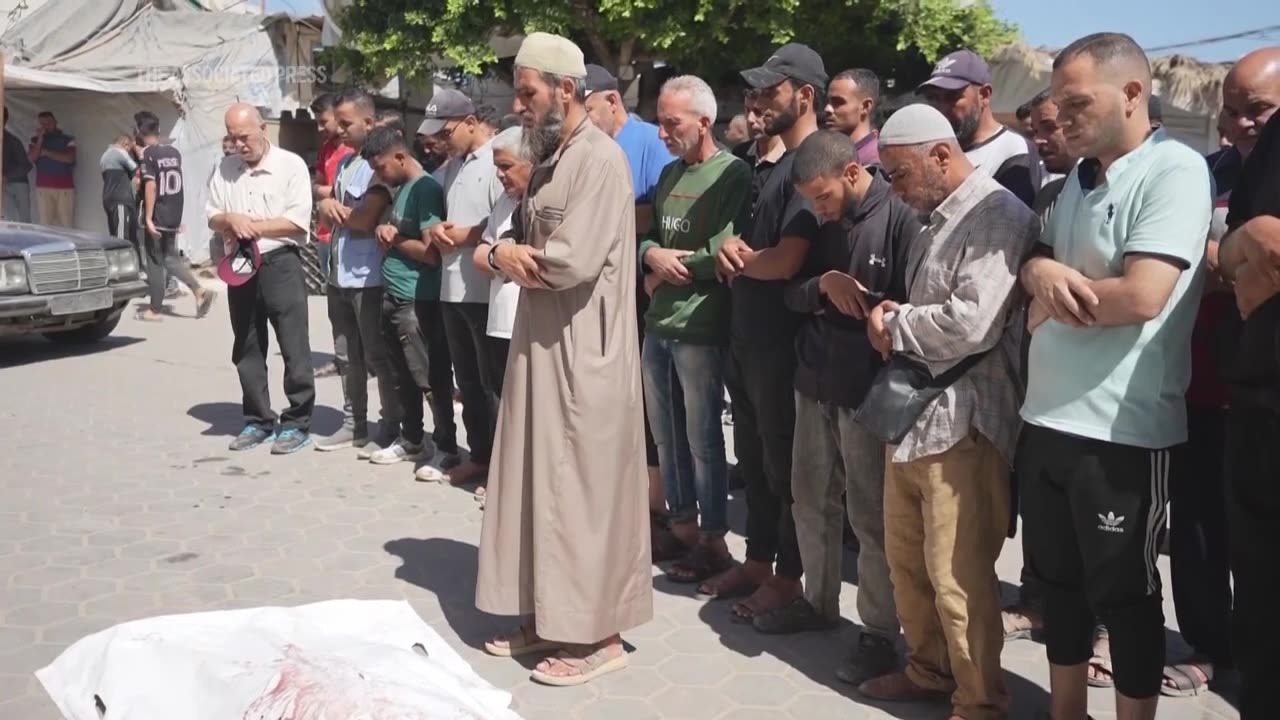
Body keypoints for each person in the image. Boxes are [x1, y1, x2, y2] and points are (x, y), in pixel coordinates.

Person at [1018, 33, 1211, 720]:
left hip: (1121, 432)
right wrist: (1039, 274)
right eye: (1055, 103)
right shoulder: (1077, 176)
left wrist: (1049, 301)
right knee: (1058, 590)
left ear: (1133, 94)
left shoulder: (1174, 172)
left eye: (1077, 102)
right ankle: (1064, 711)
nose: (1060, 117)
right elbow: (1039, 260)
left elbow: (1142, 297)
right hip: (1045, 420)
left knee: (1127, 599)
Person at [475, 31, 651, 686]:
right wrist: (502, 253)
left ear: (566, 90)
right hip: (542, 350)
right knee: (537, 485)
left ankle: (599, 635)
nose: (518, 106)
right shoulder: (554, 157)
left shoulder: (600, 160)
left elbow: (568, 261)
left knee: (582, 494)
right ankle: (548, 616)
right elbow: (515, 242)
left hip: (585, 358)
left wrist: (500, 258)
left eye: (527, 93)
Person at [861, 104, 1038, 720]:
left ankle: (981, 701)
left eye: (902, 174)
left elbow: (972, 323)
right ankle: (929, 671)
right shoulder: (934, 216)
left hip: (965, 422)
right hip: (914, 420)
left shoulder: (998, 214)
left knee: (958, 577)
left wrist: (895, 322)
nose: (895, 189)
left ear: (941, 155)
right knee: (907, 563)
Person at [754, 130, 917, 682]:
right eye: (810, 200)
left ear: (852, 174)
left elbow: (913, 306)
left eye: (822, 196)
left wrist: (873, 306)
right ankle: (818, 605)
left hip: (867, 391)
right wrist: (823, 284)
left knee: (870, 517)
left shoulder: (898, 217)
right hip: (813, 379)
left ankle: (878, 633)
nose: (817, 209)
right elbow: (790, 294)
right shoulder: (819, 224)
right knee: (808, 498)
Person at [706, 43, 826, 624]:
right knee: (752, 460)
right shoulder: (769, 165)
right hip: (746, 336)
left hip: (786, 345)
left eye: (769, 91)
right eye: (752, 92)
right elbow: (751, 247)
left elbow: (785, 260)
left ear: (804, 96)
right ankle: (757, 562)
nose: (756, 102)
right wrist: (730, 247)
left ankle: (788, 579)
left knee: (785, 468)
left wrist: (741, 259)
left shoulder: (813, 165)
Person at [640, 75, 749, 585]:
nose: (662, 132)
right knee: (665, 436)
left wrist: (671, 265)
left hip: (701, 325)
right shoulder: (666, 176)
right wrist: (651, 256)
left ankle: (713, 537)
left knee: (703, 438)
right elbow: (650, 240)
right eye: (660, 121)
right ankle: (680, 527)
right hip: (658, 322)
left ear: (704, 122)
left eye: (671, 123)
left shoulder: (733, 176)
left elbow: (725, 254)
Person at [582, 62, 679, 555]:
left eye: (588, 106)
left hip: (645, 289)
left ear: (612, 101)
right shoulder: (586, 146)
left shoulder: (647, 143)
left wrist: (599, 215)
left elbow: (661, 211)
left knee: (647, 403)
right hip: (599, 292)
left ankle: (655, 511)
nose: (583, 116)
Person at [1210, 45, 1280, 720]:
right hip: (1253, 403)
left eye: (1256, 110)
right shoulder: (1251, 171)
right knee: (1256, 601)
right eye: (1232, 112)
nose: (1240, 126)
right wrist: (1250, 237)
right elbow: (1235, 253)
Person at [207, 103, 316, 455]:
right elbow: (213, 216)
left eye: (245, 137)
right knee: (248, 345)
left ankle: (297, 422)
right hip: (239, 263)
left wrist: (248, 225)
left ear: (263, 130)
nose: (239, 146)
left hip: (280, 262)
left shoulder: (290, 165)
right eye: (232, 138)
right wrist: (230, 219)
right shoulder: (224, 168)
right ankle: (257, 419)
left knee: (293, 344)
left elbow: (297, 222)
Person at [415, 87, 503, 485]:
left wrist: (467, 235)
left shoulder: (499, 157)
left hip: (486, 290)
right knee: (466, 381)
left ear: (470, 123)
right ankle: (481, 455)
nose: (439, 141)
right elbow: (429, 198)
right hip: (452, 287)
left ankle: (504, 470)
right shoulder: (452, 164)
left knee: (493, 385)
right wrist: (432, 226)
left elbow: (509, 218)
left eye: (445, 132)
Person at [313, 88, 402, 455]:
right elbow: (326, 210)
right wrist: (328, 205)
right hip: (338, 275)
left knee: (378, 357)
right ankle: (354, 424)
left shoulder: (380, 165)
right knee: (346, 355)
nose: (340, 129)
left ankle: (392, 426)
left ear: (369, 121)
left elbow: (366, 219)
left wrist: (335, 209)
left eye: (347, 123)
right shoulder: (347, 162)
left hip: (369, 277)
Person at [362, 127, 457, 467]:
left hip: (417, 301)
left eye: (381, 167)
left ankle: (446, 448)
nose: (378, 175)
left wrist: (394, 237)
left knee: (429, 377)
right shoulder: (402, 187)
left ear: (401, 157)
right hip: (394, 295)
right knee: (403, 376)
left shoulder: (426, 189)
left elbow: (432, 253)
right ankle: (412, 439)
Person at [919, 50, 1042, 207]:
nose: (942, 108)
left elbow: (1012, 224)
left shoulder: (1013, 150)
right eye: (933, 98)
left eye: (952, 97)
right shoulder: (934, 149)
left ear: (984, 95)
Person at [135, 113, 215, 322]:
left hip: (158, 212)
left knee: (154, 260)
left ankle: (155, 309)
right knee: (169, 257)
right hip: (172, 211)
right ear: (159, 131)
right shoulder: (174, 153)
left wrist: (149, 218)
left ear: (139, 133)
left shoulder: (148, 155)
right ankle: (198, 291)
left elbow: (151, 185)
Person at [471, 126, 529, 396]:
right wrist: (500, 256)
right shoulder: (505, 203)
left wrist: (496, 253)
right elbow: (480, 257)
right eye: (497, 166)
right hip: (499, 324)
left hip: (529, 329)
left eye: (506, 166)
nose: (499, 174)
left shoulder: (544, 203)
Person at [311, 92, 353, 380]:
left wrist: (326, 192)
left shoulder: (353, 152)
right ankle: (343, 359)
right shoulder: (327, 148)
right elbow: (318, 185)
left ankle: (360, 359)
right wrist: (327, 192)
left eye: (323, 121)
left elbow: (346, 193)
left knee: (356, 307)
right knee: (336, 306)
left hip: (350, 238)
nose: (320, 127)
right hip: (325, 235)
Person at [28, 111, 76, 227]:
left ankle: (68, 245)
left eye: (49, 122)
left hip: (64, 187)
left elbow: (69, 158)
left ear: (56, 122)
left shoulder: (67, 139)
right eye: (43, 124)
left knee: (66, 222)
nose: (46, 126)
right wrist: (40, 139)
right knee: (45, 223)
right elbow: (31, 158)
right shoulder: (34, 140)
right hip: (43, 186)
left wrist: (46, 152)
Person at [825, 68, 881, 166]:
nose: (827, 109)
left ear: (865, 106)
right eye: (828, 102)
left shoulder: (875, 162)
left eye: (838, 102)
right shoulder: (834, 156)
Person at [100, 135, 140, 255]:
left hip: (109, 198)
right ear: (125, 144)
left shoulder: (105, 156)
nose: (130, 153)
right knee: (122, 238)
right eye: (130, 149)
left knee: (115, 234)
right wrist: (139, 154)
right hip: (120, 200)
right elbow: (137, 171)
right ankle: (123, 265)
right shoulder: (120, 152)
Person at [2, 108, 33, 223]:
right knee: (8, 220)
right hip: (4, 185)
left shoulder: (13, 140)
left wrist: (6, 176)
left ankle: (27, 240)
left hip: (19, 184)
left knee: (24, 219)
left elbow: (26, 165)